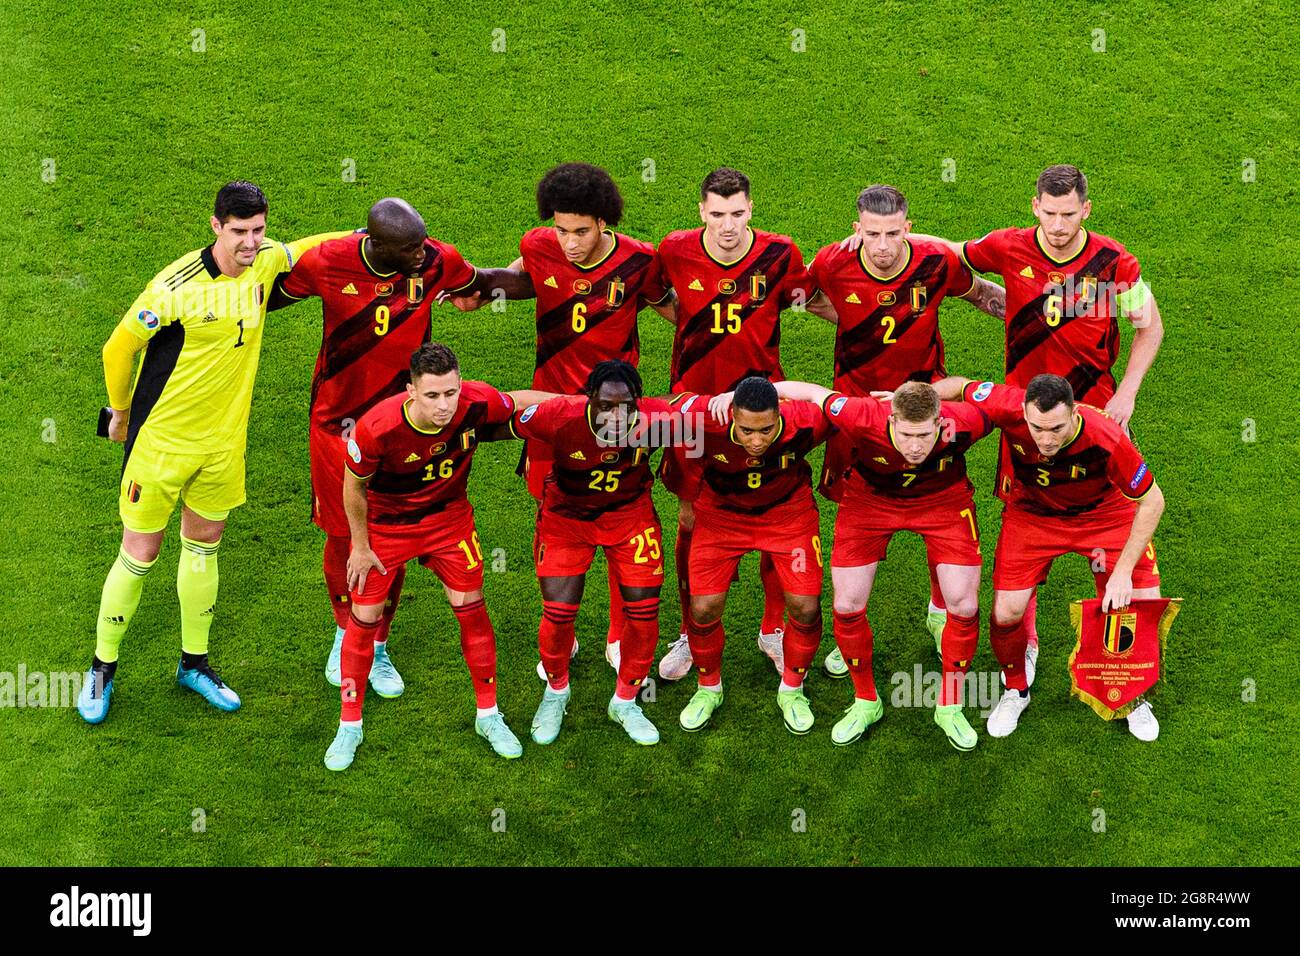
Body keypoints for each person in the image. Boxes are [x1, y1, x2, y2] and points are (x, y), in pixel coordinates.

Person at [78, 181, 346, 724]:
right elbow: (118, 347)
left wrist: (368, 235)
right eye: (240, 231)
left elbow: (311, 247)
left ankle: (193, 664)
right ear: (216, 226)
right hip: (161, 445)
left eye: (259, 230)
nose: (251, 242)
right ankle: (101, 669)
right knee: (141, 551)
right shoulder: (174, 287)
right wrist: (120, 412)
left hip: (223, 447)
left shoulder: (266, 262)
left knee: (204, 547)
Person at [272, 197, 531, 695]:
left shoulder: (433, 260)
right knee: (344, 536)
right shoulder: (327, 261)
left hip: (403, 425)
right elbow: (265, 295)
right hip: (336, 425)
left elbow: (483, 282)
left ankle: (379, 644)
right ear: (377, 244)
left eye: (422, 242)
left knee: (388, 533)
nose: (422, 252)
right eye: (410, 247)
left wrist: (554, 274)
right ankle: (344, 631)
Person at [644, 167, 835, 681]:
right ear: (700, 211)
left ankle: (772, 630)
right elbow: (655, 293)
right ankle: (690, 632)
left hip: (762, 406)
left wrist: (870, 323)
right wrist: (692, 321)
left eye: (737, 214)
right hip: (693, 406)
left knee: (774, 507)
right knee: (690, 518)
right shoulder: (676, 249)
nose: (727, 225)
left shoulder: (780, 253)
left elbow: (809, 299)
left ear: (751, 209)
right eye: (717, 214)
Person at [324, 343, 550, 770]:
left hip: (450, 523)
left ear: (460, 385)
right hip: (388, 529)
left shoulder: (475, 402)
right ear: (410, 391)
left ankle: (488, 715)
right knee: (364, 619)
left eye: (450, 393)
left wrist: (583, 404)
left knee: (472, 610)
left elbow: (521, 402)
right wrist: (359, 546)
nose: (444, 405)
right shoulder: (377, 428)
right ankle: (349, 725)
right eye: (432, 396)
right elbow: (353, 486)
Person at [762, 379, 995, 750]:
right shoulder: (862, 415)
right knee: (846, 605)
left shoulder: (966, 421)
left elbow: (999, 400)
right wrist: (746, 392)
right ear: (891, 418)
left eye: (924, 434)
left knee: (964, 606)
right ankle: (866, 701)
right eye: (905, 435)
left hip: (943, 502)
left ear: (940, 421)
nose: (915, 446)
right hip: (870, 503)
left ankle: (949, 705)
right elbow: (810, 392)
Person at [933, 374, 1165, 741]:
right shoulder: (1008, 404)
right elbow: (961, 386)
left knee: (1142, 602)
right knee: (1006, 613)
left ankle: (1133, 697)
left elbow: (1153, 500)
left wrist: (1122, 573)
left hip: (1103, 516)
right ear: (1023, 413)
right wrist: (910, 400)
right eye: (1036, 428)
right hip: (1034, 515)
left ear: (1074, 414)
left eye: (1056, 428)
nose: (1045, 439)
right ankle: (1016, 689)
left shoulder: (1106, 436)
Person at [509, 361, 697, 746]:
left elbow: (696, 414)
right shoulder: (559, 417)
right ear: (588, 401)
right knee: (559, 611)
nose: (616, 414)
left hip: (630, 517)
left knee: (643, 610)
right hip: (567, 519)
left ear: (638, 403)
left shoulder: (658, 420)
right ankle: (556, 692)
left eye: (625, 405)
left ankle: (626, 701)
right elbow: (501, 417)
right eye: (606, 405)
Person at [676, 376, 832, 735]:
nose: (757, 441)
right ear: (731, 416)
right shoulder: (704, 421)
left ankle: (793, 690)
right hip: (721, 517)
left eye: (766, 429)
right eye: (746, 430)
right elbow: (656, 412)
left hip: (788, 516)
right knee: (702, 609)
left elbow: (842, 406)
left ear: (781, 414)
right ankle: (707, 688)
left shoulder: (805, 421)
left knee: (806, 607)